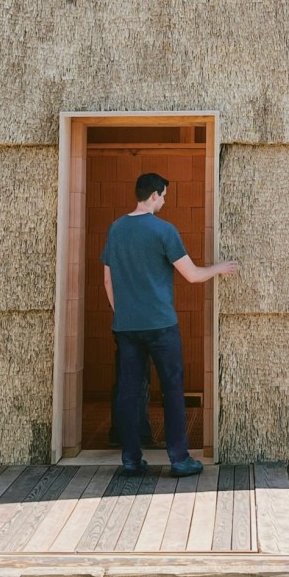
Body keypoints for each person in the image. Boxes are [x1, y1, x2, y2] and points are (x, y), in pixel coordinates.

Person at [102, 171, 238, 476]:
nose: (164, 201)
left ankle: (131, 459)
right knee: (172, 389)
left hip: (126, 327)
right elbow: (191, 275)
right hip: (161, 325)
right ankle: (179, 459)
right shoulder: (164, 231)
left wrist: (123, 312)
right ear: (154, 195)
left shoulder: (116, 229)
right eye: (163, 196)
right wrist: (219, 268)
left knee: (129, 391)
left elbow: (108, 280)